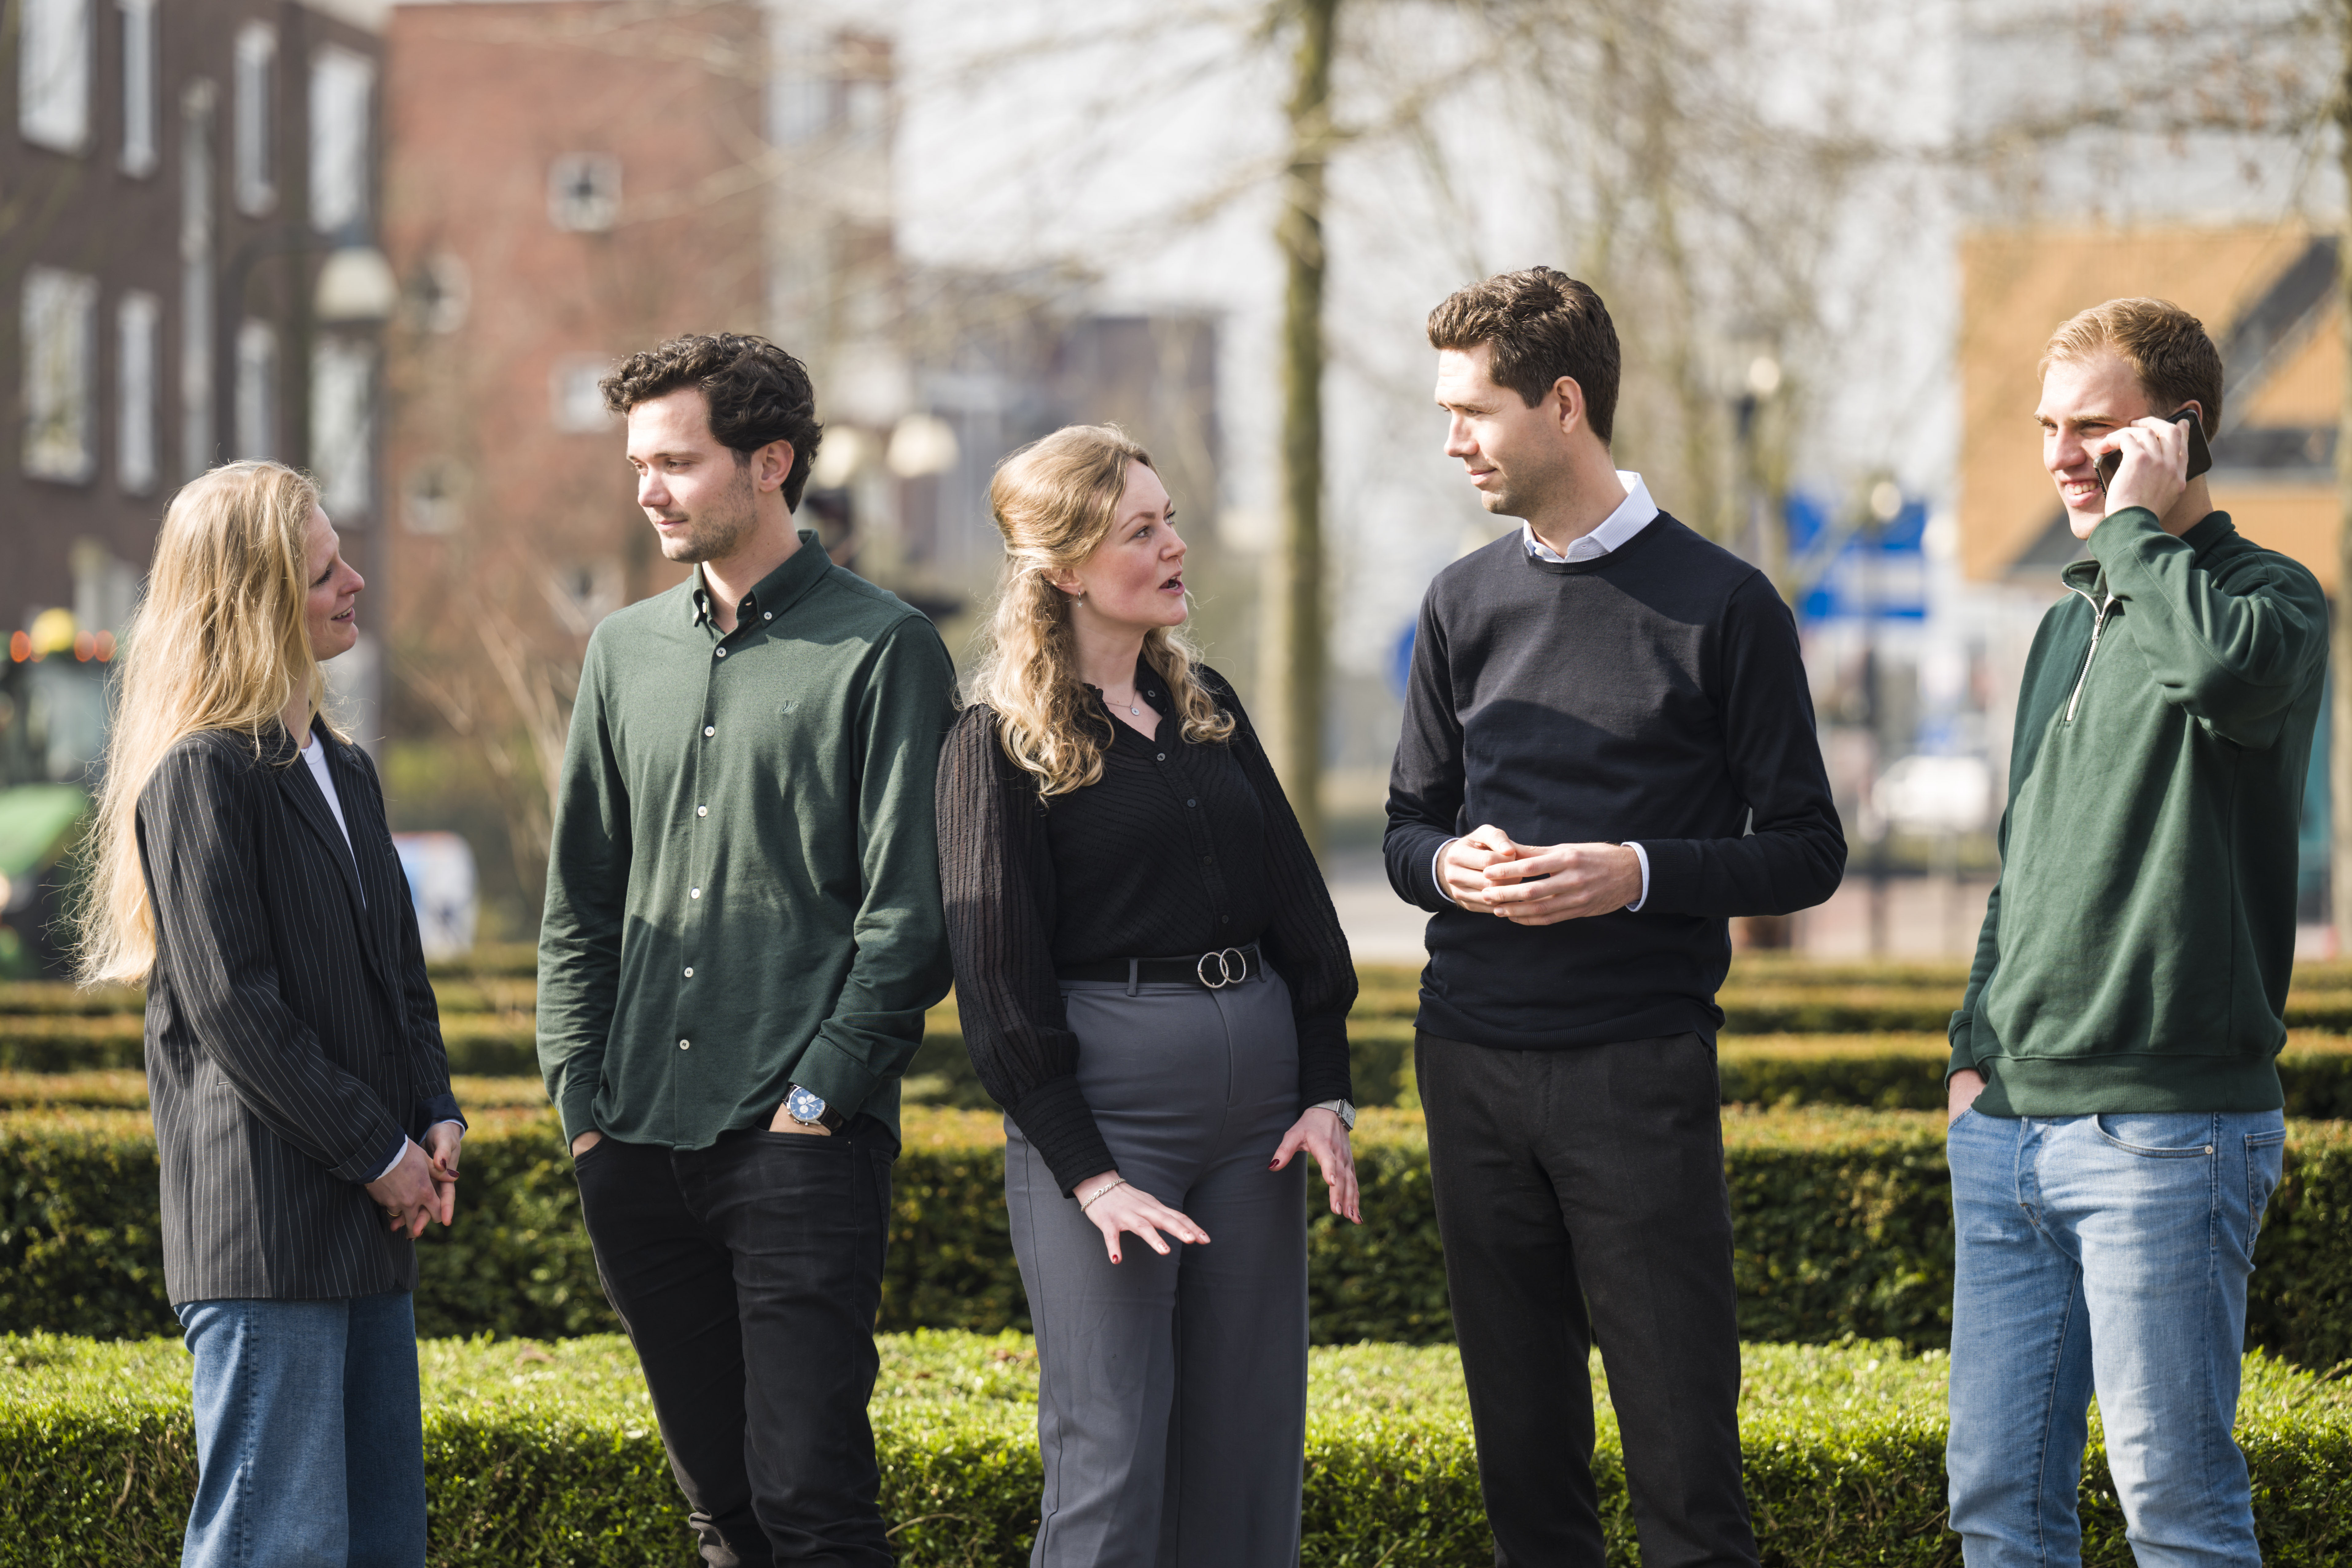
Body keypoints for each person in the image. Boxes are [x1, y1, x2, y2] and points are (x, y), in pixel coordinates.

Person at [1384, 268, 1846, 1566]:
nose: (1453, 441)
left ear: (1565, 403)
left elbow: (1808, 849)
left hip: (1632, 1067)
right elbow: (1404, 823)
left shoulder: (1727, 604)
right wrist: (1446, 868)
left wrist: (1632, 871)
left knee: (1685, 1468)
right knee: (1524, 1469)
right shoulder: (1458, 602)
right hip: (1466, 1059)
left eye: (1471, 410)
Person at [537, 332, 958, 1567]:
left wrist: (817, 1094)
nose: (647, 489)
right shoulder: (623, 653)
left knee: (812, 1502)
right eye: (638, 464)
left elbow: (910, 915)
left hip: (799, 1144)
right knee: (720, 1507)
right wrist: (580, 1099)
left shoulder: (885, 651)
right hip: (635, 1140)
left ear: (768, 461)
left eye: (675, 460)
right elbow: (582, 903)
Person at [936, 424, 1360, 1568]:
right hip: (1110, 1121)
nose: (1177, 545)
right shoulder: (998, 744)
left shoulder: (1207, 706)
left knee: (1247, 1452)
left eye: (1169, 519)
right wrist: (1090, 1173)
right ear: (1066, 567)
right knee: (1111, 1458)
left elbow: (1302, 916)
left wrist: (1328, 1092)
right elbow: (998, 989)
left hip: (1260, 1114)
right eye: (1143, 529)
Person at [1943, 298, 2325, 1567]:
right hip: (2010, 1135)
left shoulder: (2268, 599)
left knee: (2177, 1511)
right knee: (1999, 1505)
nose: (2059, 455)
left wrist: (2133, 536)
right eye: (2048, 428)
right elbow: (2026, 860)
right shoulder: (2066, 621)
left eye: (2094, 431)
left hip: (2166, 1130)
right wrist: (1971, 1051)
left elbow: (2220, 678)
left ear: (2178, 433)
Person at [73, 459, 465, 1568]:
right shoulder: (201, 773)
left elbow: (399, 974)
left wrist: (435, 1113)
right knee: (273, 1548)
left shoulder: (344, 766)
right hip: (266, 1228)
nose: (355, 584)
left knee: (384, 1546)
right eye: (323, 572)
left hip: (365, 1216)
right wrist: (378, 1148)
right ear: (254, 605)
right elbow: (234, 1008)